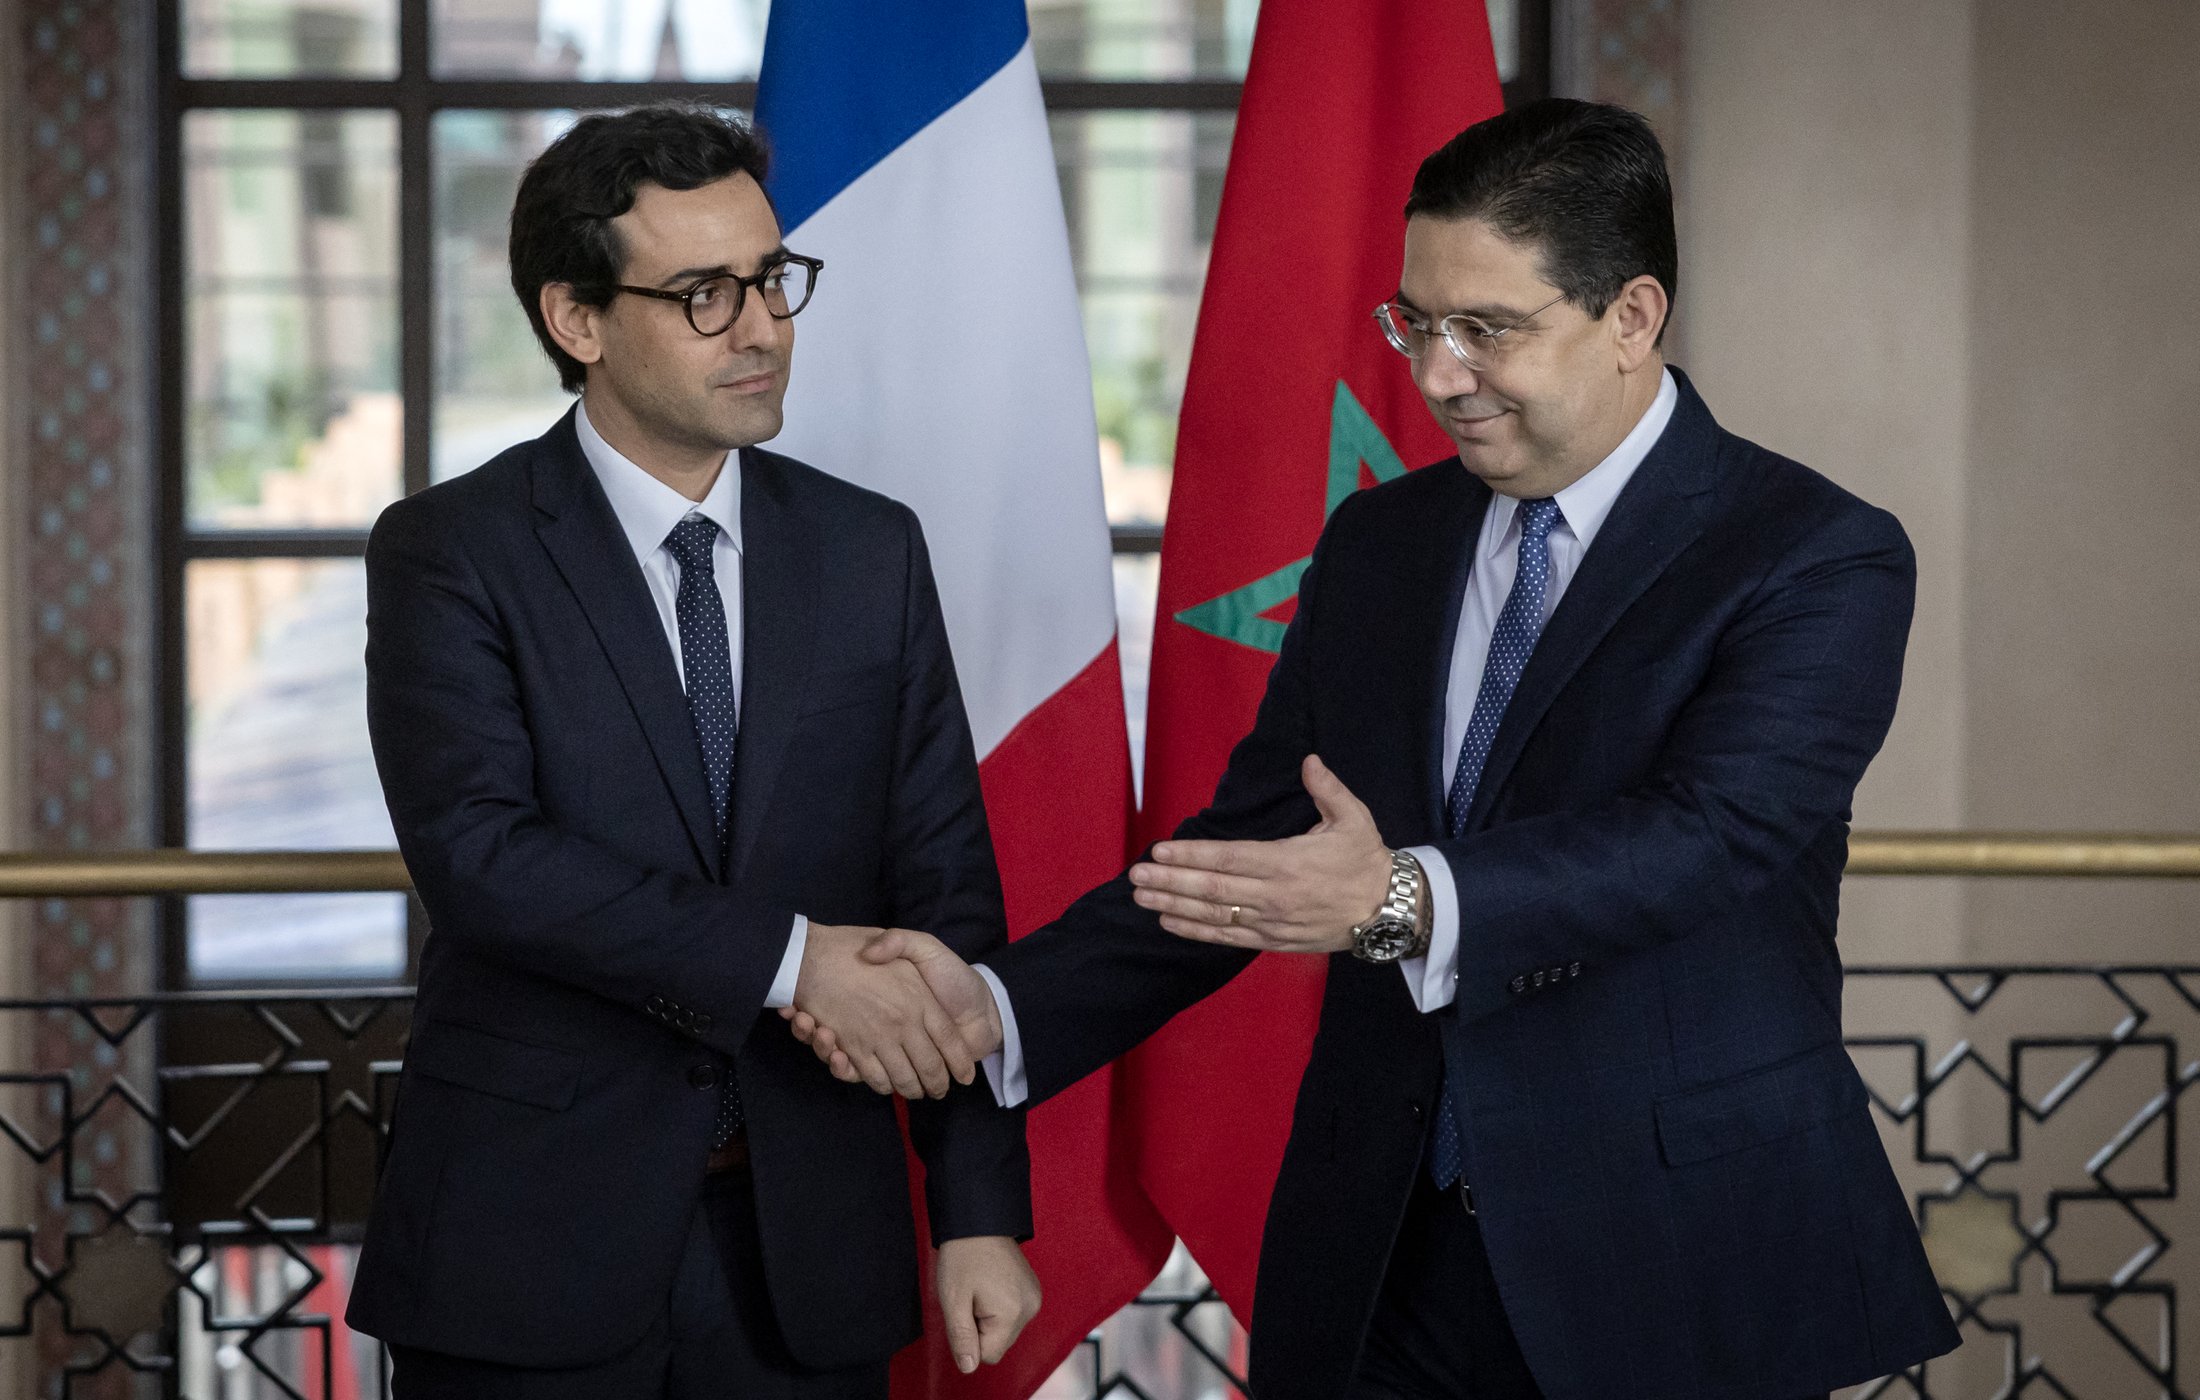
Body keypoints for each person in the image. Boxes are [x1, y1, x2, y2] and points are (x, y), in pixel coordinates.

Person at [792, 99, 1961, 1400]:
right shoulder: (1378, 545)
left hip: (1672, 1249)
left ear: (1632, 317)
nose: (1438, 373)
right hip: (1382, 1254)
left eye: (1489, 329)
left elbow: (1709, 840)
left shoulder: (1813, 553)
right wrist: (995, 1012)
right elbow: (1252, 861)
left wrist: (1401, 899)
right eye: (1416, 324)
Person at [347, 103, 1040, 1399]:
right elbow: (485, 860)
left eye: (773, 280)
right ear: (579, 319)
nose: (766, 328)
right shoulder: (452, 551)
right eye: (706, 294)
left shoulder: (868, 550)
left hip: (811, 1243)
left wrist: (976, 1205)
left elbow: (945, 889)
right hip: (528, 1244)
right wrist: (793, 965)